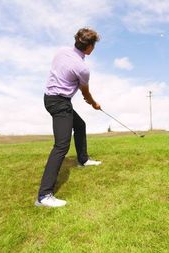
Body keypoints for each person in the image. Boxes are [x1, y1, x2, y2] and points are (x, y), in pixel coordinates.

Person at [35, 28, 102, 208]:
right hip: (59, 103)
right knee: (61, 146)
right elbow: (85, 93)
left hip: (50, 98)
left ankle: (83, 159)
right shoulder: (83, 69)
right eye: (93, 45)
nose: (94, 48)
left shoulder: (61, 51)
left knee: (80, 125)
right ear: (88, 47)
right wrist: (94, 104)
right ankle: (44, 196)